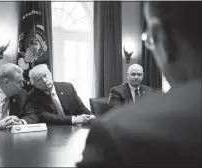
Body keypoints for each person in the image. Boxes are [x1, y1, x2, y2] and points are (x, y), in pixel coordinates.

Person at [78, 2, 201, 166]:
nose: (136, 77)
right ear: (128, 76)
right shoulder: (117, 92)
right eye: (133, 74)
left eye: (150, 38)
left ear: (162, 37)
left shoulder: (117, 133)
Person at [24, 64, 95, 125]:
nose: (45, 80)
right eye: (39, 80)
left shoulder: (67, 87)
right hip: (53, 131)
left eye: (45, 75)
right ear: (35, 84)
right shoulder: (32, 96)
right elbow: (45, 117)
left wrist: (90, 116)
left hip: (75, 127)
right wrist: (73, 119)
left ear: (50, 74)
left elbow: (81, 108)